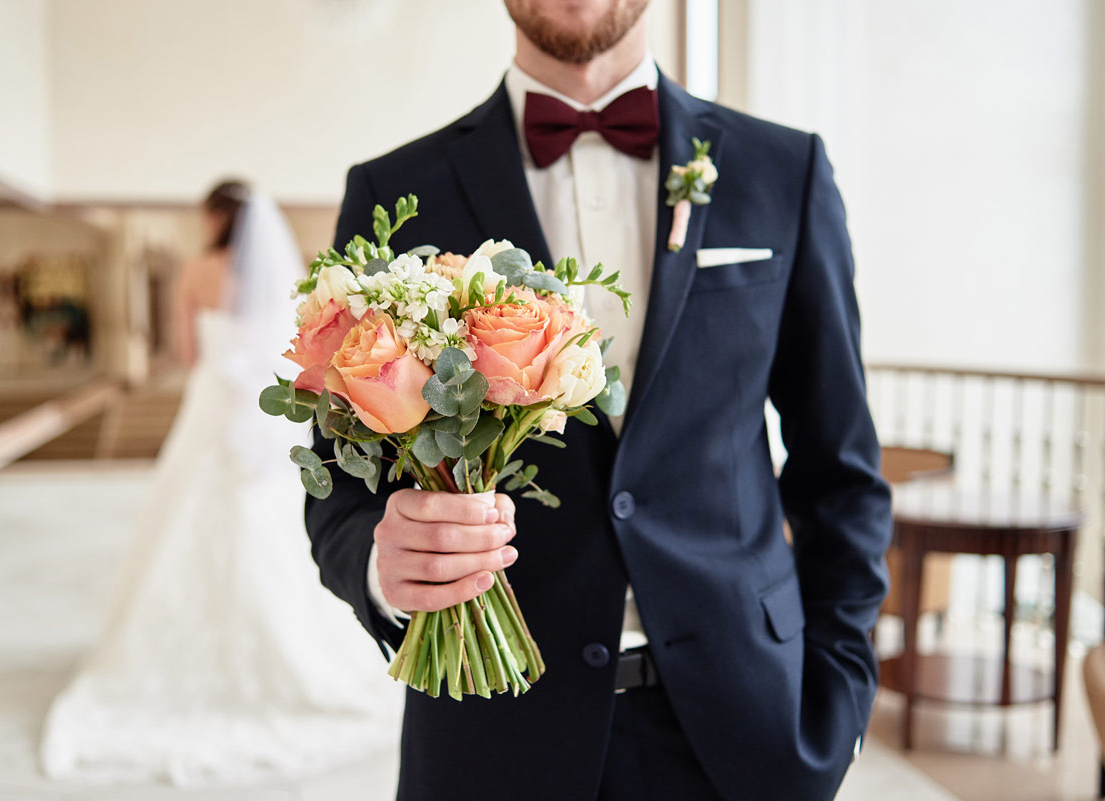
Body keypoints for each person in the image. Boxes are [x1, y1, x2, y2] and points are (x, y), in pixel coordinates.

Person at [306, 1, 893, 799]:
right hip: (491, 740)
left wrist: (841, 697)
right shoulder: (395, 190)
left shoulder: (785, 170)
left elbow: (841, 473)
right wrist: (385, 564)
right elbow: (340, 486)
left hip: (746, 731)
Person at [41, 180, 401, 785]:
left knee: (185, 514)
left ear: (215, 217)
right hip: (261, 413)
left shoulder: (195, 272)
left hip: (212, 405)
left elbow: (187, 352)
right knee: (273, 527)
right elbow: (290, 350)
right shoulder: (281, 274)